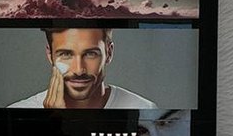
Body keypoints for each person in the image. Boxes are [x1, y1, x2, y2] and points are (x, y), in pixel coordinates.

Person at [9, 26, 156, 109]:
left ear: (109, 53)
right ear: (50, 55)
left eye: (90, 54)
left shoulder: (144, 109)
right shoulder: (18, 113)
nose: (79, 70)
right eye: (66, 54)